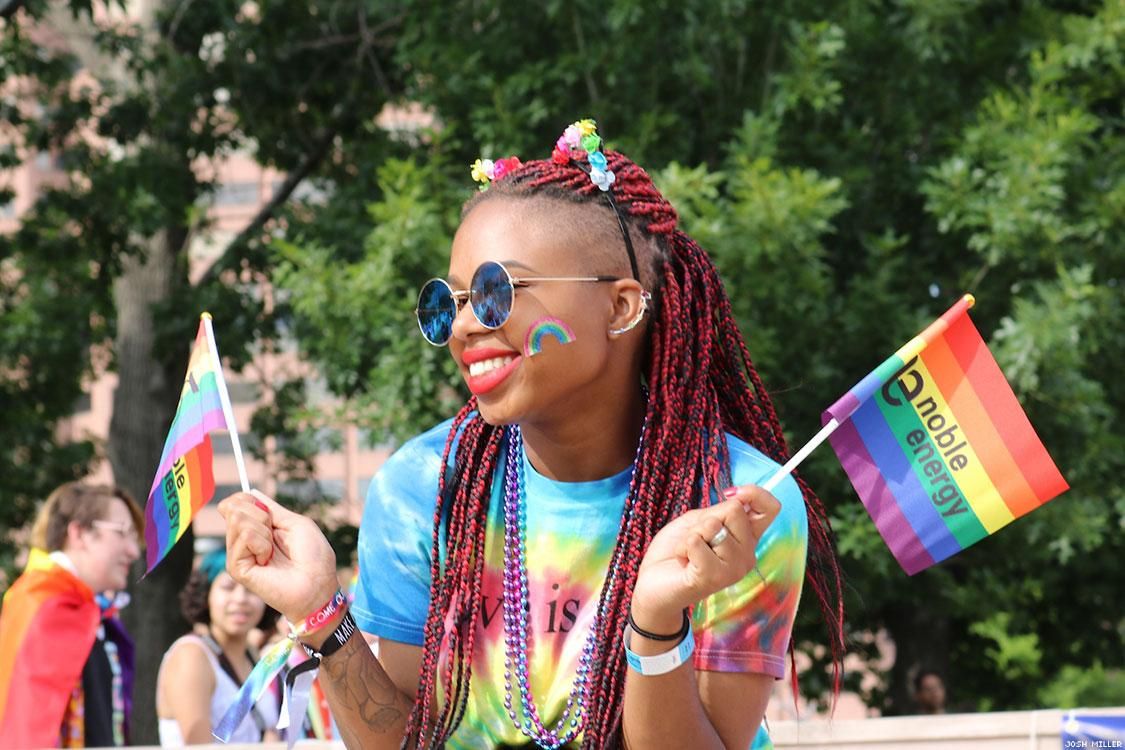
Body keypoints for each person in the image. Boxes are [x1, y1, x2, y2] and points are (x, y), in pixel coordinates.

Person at [219, 117, 846, 749]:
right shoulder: (424, 486)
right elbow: (402, 741)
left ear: (622, 306)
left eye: (497, 292)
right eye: (451, 301)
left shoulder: (737, 504)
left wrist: (656, 621)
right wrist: (322, 613)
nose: (464, 326)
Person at [0, 482, 141, 748]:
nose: (133, 551)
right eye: (123, 533)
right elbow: (28, 727)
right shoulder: (41, 603)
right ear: (79, 533)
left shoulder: (88, 611)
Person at [155, 549, 281, 745]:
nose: (240, 599)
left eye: (251, 589)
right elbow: (199, 746)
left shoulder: (252, 655)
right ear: (206, 595)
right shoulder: (192, 655)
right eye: (228, 587)